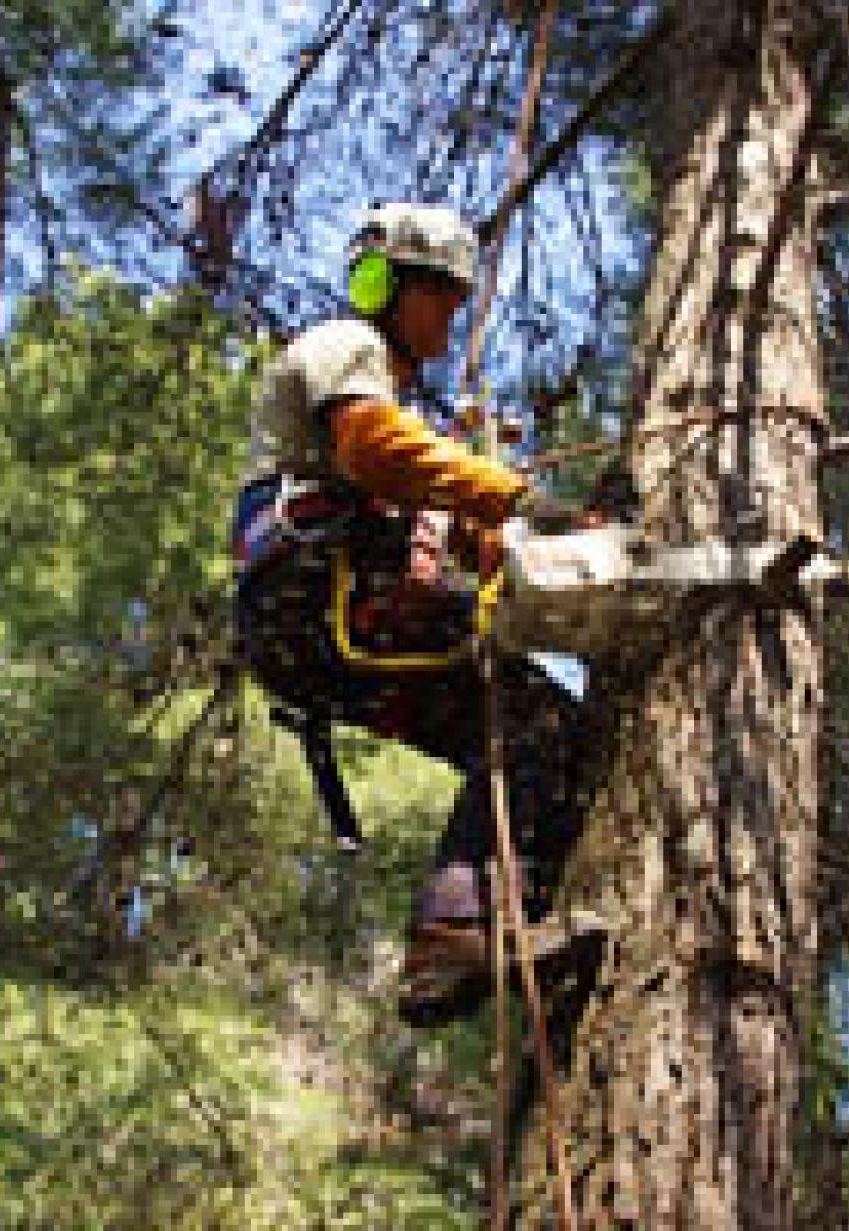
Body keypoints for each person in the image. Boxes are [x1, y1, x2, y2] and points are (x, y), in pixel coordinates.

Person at [231, 203, 589, 1027]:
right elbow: (373, 447)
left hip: (331, 622)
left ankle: (461, 931)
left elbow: (449, 522)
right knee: (537, 716)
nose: (452, 317)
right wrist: (510, 492)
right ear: (391, 285)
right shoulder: (344, 348)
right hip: (322, 591)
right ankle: (466, 921)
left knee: (525, 732)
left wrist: (506, 530)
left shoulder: (404, 417)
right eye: (445, 296)